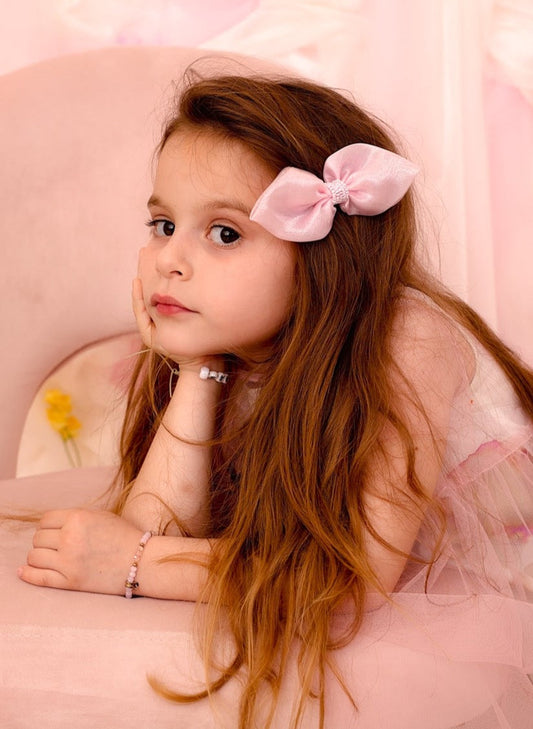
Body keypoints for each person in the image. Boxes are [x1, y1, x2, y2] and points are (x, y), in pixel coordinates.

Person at [17, 72, 533, 729]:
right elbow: (155, 524)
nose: (169, 259)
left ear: (323, 255)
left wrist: (134, 564)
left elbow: (351, 579)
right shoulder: (233, 338)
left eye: (224, 234)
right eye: (163, 224)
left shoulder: (410, 339)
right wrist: (197, 367)